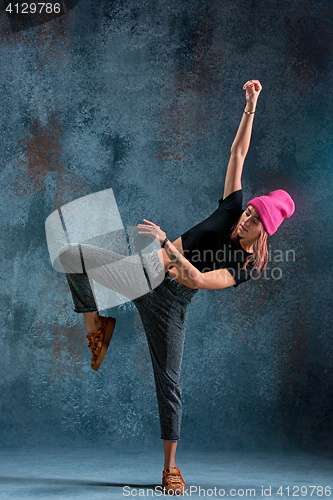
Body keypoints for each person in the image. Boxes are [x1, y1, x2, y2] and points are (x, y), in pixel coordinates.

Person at [58, 80, 295, 495]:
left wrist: (168, 242)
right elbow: (238, 154)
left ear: (263, 232)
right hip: (146, 272)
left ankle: (170, 468)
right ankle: (97, 327)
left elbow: (199, 279)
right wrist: (251, 106)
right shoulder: (230, 208)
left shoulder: (244, 266)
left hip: (172, 303)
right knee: (74, 255)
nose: (245, 219)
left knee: (168, 382)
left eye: (254, 219)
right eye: (249, 211)